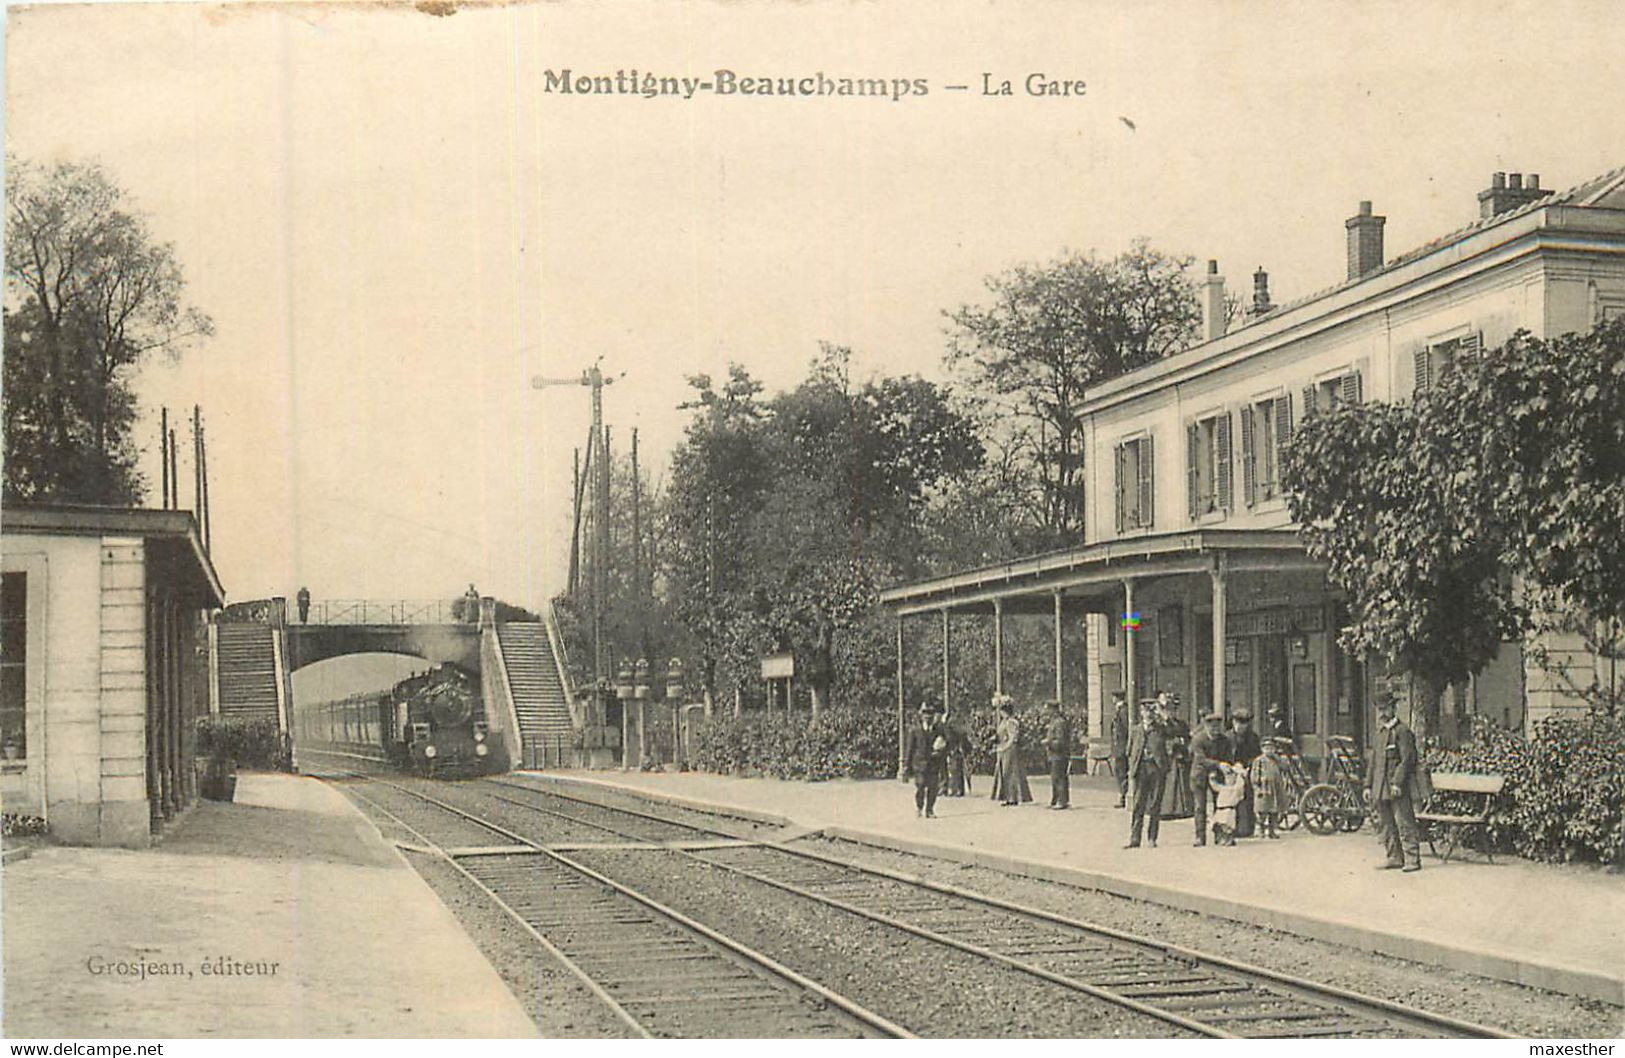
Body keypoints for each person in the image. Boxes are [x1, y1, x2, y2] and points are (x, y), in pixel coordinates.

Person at [1370, 694, 1423, 872]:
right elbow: (1374, 761)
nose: (1382, 713)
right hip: (1380, 786)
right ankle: (1394, 856)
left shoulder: (1402, 731)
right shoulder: (1380, 732)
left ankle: (1412, 859)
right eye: (1380, 709)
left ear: (1393, 708)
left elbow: (1407, 759)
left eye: (1385, 709)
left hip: (1396, 786)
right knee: (1385, 823)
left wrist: (1397, 783)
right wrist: (1367, 785)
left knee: (1404, 821)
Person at [1123, 703, 1168, 848]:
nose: (1148, 714)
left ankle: (1152, 838)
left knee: (1155, 805)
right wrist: (1132, 767)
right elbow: (1129, 750)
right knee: (1138, 805)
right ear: (1141, 712)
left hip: (1156, 768)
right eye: (1145, 711)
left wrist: (1164, 715)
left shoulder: (1161, 729)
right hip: (1141, 768)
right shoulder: (1136, 730)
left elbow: (1174, 734)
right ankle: (1134, 839)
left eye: (1151, 711)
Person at [1188, 710, 1230, 846]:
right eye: (1212, 727)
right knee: (1200, 806)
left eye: (1217, 727)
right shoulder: (1198, 739)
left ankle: (1219, 835)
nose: (1215, 730)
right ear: (1206, 727)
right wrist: (1218, 765)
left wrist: (1227, 767)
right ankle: (1200, 837)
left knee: (1220, 805)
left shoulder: (1224, 741)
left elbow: (1228, 757)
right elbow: (1200, 759)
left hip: (1217, 776)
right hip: (1199, 775)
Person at [903, 702, 948, 818]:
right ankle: (919, 807)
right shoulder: (915, 730)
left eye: (930, 713)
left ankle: (930, 810)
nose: (928, 716)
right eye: (925, 713)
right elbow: (909, 749)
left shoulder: (938, 729)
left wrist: (940, 750)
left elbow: (945, 742)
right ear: (921, 715)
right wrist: (906, 767)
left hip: (933, 763)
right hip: (920, 764)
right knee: (921, 785)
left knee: (933, 788)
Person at [989, 695, 1033, 806]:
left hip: (1010, 750)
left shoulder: (1012, 722)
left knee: (1010, 773)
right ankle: (1007, 797)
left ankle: (1013, 797)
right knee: (1004, 773)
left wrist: (1004, 747)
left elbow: (1013, 737)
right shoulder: (1003, 722)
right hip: (1003, 749)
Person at [1228, 708, 1261, 837]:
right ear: (1233, 723)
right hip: (1232, 770)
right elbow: (1224, 754)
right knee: (1233, 799)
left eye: (1244, 724)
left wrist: (1248, 766)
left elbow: (1256, 754)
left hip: (1248, 771)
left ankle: (1247, 829)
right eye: (1238, 723)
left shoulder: (1253, 737)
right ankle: (1232, 827)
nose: (1241, 727)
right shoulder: (1227, 737)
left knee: (1248, 798)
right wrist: (1235, 765)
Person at [1250, 738, 1290, 839]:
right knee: (1262, 811)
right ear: (1262, 749)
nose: (1269, 750)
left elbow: (1285, 767)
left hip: (1275, 788)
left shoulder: (1276, 760)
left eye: (1271, 748)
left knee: (1274, 811)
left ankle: (1272, 831)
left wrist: (1279, 758)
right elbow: (1254, 775)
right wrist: (1257, 787)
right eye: (1267, 748)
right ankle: (1261, 831)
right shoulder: (1259, 761)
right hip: (1264, 788)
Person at [1042, 700, 1072, 809]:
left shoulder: (1059, 722)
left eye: (1048, 709)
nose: (1046, 712)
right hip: (1054, 754)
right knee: (1055, 777)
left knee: (1059, 777)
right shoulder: (1054, 721)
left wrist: (1048, 742)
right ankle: (1056, 799)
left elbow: (1060, 740)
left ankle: (1062, 801)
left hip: (1059, 754)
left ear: (1053, 710)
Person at [1209, 762, 1246, 846]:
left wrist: (1238, 773)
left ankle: (1229, 839)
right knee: (1218, 825)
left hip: (1229, 809)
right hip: (1220, 809)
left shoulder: (1236, 788)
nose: (1228, 778)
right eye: (1227, 777)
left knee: (1228, 826)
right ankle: (1222, 838)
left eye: (1231, 776)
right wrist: (1211, 778)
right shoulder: (1223, 788)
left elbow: (1241, 784)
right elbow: (1214, 785)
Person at [941, 710, 971, 797]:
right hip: (956, 750)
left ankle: (957, 789)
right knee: (956, 770)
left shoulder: (951, 727)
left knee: (955, 770)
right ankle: (958, 789)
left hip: (955, 750)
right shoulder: (956, 727)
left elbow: (950, 738)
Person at [1109, 693, 1131, 808]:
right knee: (1119, 772)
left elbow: (1125, 729)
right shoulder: (1119, 710)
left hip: (1122, 747)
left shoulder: (1123, 711)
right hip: (1118, 747)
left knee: (1121, 772)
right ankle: (1122, 795)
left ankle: (1123, 796)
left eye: (1113, 697)